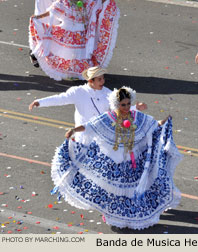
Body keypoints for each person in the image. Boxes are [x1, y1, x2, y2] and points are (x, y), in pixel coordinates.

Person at [51, 87, 182, 229]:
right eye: (122, 105)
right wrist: (73, 130)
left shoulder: (137, 116)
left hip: (133, 162)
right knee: (113, 192)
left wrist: (165, 121)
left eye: (127, 104)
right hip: (115, 163)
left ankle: (130, 217)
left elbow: (153, 125)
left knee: (131, 191)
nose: (126, 107)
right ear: (116, 105)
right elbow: (90, 126)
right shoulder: (108, 118)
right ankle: (112, 214)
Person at [28, 66, 147, 133]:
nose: (103, 82)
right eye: (99, 79)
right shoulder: (78, 92)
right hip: (82, 134)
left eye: (103, 78)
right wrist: (40, 102)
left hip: (102, 133)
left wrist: (135, 108)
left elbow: (118, 109)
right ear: (90, 81)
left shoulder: (108, 93)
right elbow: (60, 99)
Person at [29, 0, 120, 80]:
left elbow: (98, 4)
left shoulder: (87, 3)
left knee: (79, 55)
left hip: (80, 35)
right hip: (67, 33)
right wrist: (38, 17)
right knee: (67, 53)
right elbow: (51, 11)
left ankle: (78, 72)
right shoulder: (64, 2)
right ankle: (69, 72)